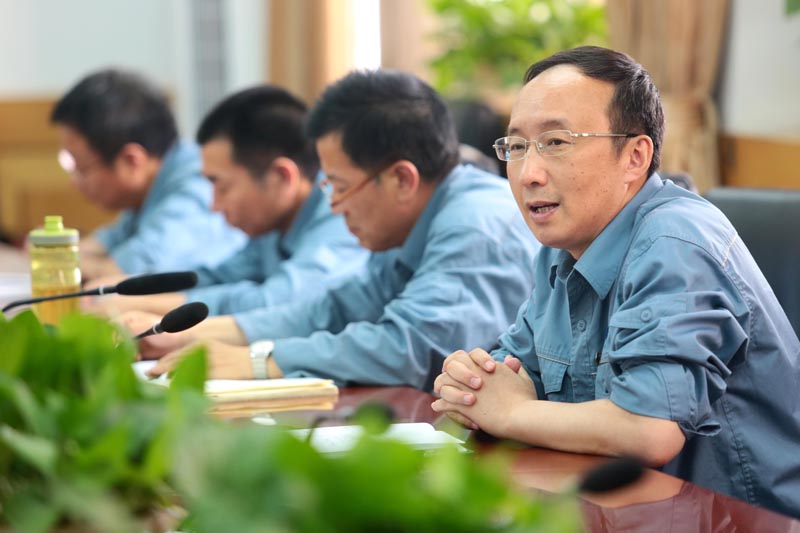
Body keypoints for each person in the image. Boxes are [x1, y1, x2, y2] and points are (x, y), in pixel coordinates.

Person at [432, 46, 800, 518]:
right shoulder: (562, 249)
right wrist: (469, 382)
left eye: (556, 142)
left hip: (741, 521)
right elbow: (511, 371)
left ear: (634, 156)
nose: (528, 174)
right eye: (517, 147)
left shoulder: (674, 242)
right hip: (624, 512)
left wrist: (510, 413)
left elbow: (649, 428)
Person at [131, 70, 540, 391]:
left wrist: (258, 359)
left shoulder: (476, 224)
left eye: (340, 187)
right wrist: (194, 336)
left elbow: (409, 348)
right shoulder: (408, 223)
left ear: (401, 179)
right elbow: (334, 310)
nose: (332, 205)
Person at [94, 85, 367, 317]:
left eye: (221, 186)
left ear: (281, 177)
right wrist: (130, 290)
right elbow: (218, 277)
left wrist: (146, 306)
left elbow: (279, 300)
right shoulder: (272, 225)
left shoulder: (342, 215)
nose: (214, 205)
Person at [51, 68, 245, 280]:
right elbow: (108, 240)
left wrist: (51, 264)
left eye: (81, 169)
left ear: (131, 161)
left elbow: (133, 273)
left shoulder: (199, 184)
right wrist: (58, 255)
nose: (74, 183)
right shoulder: (151, 187)